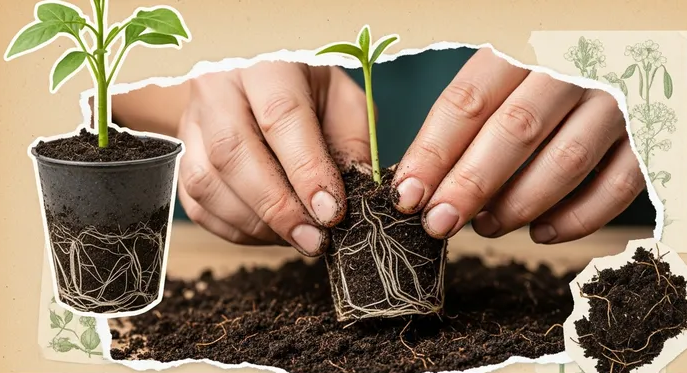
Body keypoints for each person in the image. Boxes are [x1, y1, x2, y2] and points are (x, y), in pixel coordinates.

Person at [112, 48, 645, 257]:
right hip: (196, 246)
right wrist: (198, 88)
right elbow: (79, 57)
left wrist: (649, 75)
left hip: (605, 231)